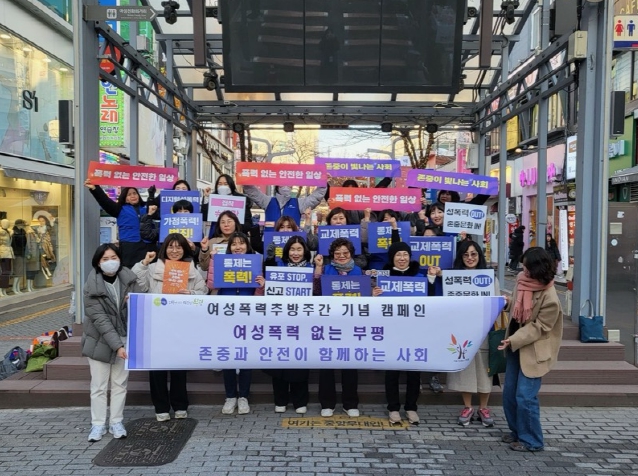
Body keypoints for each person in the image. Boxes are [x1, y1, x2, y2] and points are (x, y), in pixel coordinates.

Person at [132, 233, 209, 421]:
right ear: (164, 249)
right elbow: (137, 285)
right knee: (156, 368)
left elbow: (203, 291)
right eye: (171, 247)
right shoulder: (152, 268)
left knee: (178, 367)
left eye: (179, 247)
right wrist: (144, 263)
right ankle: (161, 407)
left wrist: (191, 293)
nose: (175, 251)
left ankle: (180, 405)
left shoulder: (191, 269)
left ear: (185, 249)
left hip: (180, 325)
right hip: (156, 324)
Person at [498, 247, 563, 452]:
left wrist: (513, 339)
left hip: (533, 351)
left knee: (525, 397)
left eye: (527, 267)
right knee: (509, 394)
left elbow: (540, 327)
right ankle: (517, 432)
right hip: (515, 346)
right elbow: (517, 307)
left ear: (537, 269)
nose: (523, 270)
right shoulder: (522, 281)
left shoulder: (550, 296)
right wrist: (507, 303)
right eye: (523, 265)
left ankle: (532, 441)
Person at [82, 243, 143, 442]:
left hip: (124, 340)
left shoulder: (130, 280)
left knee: (120, 384)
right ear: (98, 263)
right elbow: (101, 320)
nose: (110, 262)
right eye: (105, 259)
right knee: (99, 386)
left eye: (114, 258)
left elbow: (141, 305)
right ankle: (98, 424)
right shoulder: (91, 286)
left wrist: (131, 304)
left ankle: (116, 421)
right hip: (99, 341)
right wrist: (118, 346)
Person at [206, 232, 264, 416]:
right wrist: (214, 262)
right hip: (227, 315)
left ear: (248, 246)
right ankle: (230, 396)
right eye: (234, 244)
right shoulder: (222, 263)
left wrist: (262, 285)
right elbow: (212, 285)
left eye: (242, 243)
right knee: (228, 356)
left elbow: (259, 296)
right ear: (229, 248)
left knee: (245, 356)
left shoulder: (255, 263)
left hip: (248, 315)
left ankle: (244, 396)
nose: (238, 247)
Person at [444, 240, 500, 428]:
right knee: (465, 369)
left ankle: (484, 408)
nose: (470, 258)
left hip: (484, 331)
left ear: (479, 255)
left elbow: (496, 305)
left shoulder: (490, 278)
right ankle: (467, 407)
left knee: (485, 369)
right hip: (462, 331)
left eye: (473, 254)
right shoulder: (453, 279)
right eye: (466, 254)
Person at [313, 238, 366, 417]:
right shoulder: (325, 269)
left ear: (351, 254)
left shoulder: (359, 272)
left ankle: (350, 403)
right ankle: (327, 403)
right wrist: (318, 268)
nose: (341, 256)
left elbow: (365, 297)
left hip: (351, 325)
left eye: (345, 253)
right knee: (327, 364)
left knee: (349, 364)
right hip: (329, 323)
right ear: (332, 255)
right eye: (337, 253)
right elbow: (316, 292)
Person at [260, 235, 312, 414]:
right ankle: (280, 399)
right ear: (287, 251)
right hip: (279, 321)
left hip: (302, 323)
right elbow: (269, 286)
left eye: (299, 249)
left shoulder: (311, 269)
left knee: (299, 362)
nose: (295, 253)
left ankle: (300, 401)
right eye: (292, 249)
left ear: (305, 251)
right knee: (279, 361)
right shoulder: (278, 268)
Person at [379, 242, 424, 425]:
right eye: (398, 255)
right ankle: (393, 408)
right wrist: (374, 295)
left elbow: (430, 302)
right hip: (392, 331)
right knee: (392, 372)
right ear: (392, 258)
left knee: (414, 372)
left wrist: (430, 281)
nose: (402, 258)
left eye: (405, 254)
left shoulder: (419, 277)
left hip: (415, 330)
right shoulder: (384, 277)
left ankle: (411, 407)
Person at [85, 179, 153, 268]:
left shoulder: (147, 207)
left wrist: (152, 195)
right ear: (125, 198)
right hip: (129, 246)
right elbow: (105, 201)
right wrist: (95, 188)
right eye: (129, 194)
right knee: (130, 270)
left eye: (134, 193)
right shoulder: (119, 209)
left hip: (147, 245)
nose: (133, 196)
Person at [242, 183, 327, 232]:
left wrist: (323, 183)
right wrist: (245, 179)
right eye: (282, 184)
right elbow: (252, 192)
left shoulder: (299, 203)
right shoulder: (267, 201)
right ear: (277, 186)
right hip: (270, 242)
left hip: (292, 244)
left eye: (289, 185)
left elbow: (315, 198)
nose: (286, 187)